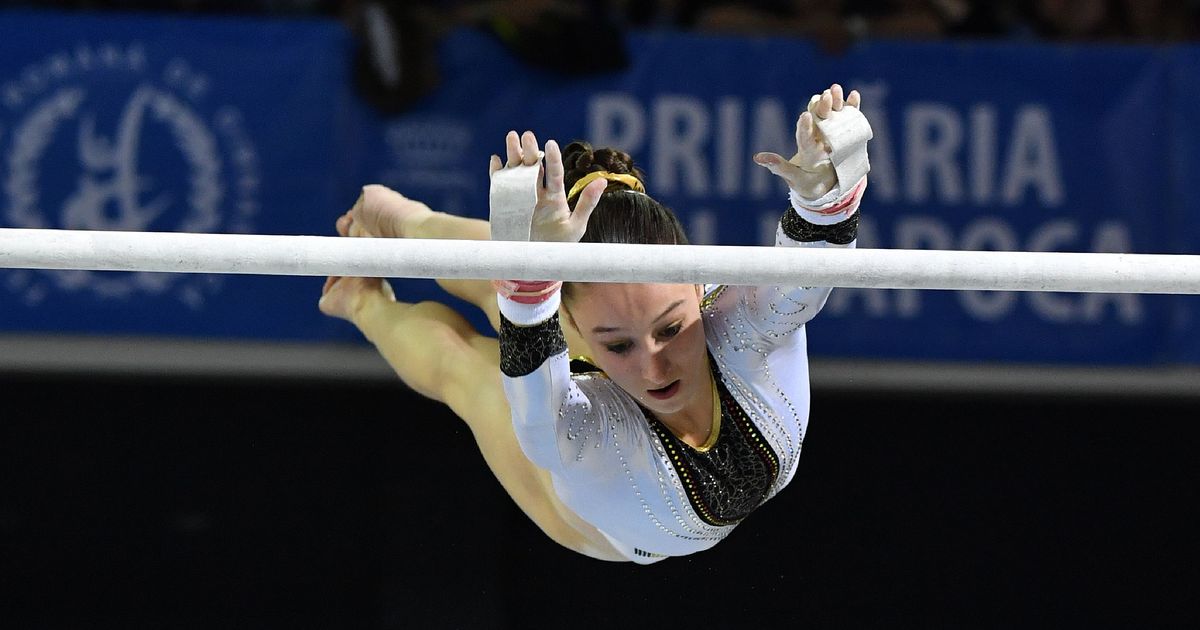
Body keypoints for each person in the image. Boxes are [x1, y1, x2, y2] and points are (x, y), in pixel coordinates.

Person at [319, 83, 870, 563]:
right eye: (621, 344)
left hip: (594, 530)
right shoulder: (568, 360)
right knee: (507, 295)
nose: (654, 365)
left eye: (670, 328)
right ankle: (409, 222)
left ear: (701, 288)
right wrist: (530, 287)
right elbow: (536, 351)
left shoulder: (741, 330)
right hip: (566, 340)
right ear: (572, 324)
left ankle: (361, 299)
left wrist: (825, 197)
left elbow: (808, 271)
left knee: (464, 368)